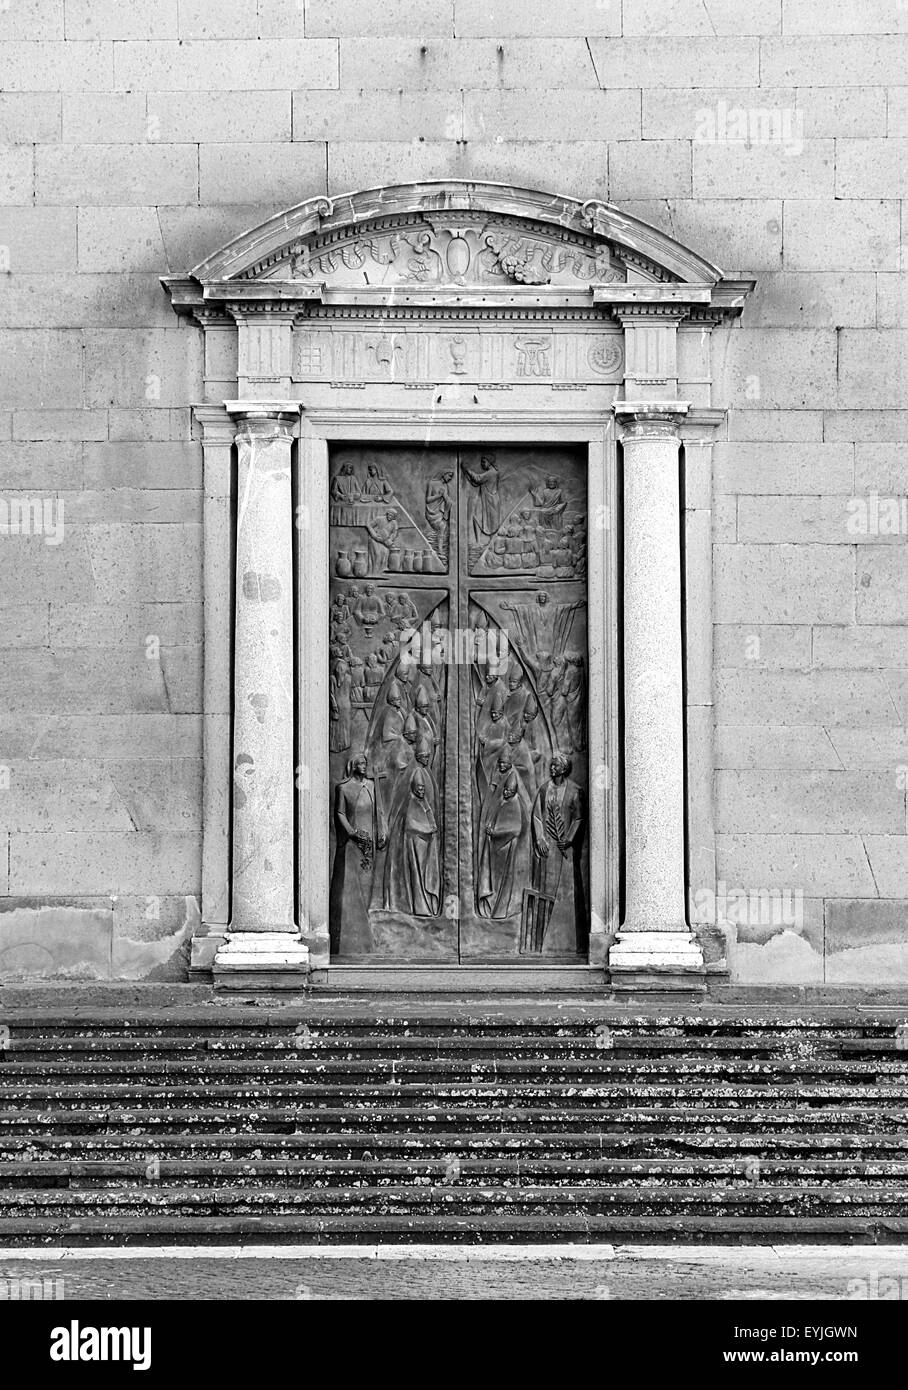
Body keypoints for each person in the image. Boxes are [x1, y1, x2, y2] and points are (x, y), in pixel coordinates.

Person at [329, 754, 387, 953]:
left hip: (369, 843)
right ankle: (352, 939)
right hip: (352, 844)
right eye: (360, 763)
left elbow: (379, 811)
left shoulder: (371, 786)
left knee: (368, 886)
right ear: (352, 766)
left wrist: (382, 831)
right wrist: (352, 833)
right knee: (352, 887)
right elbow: (340, 813)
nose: (364, 766)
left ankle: (366, 930)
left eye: (365, 763)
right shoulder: (344, 788)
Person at [531, 754, 587, 952]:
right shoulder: (544, 789)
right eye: (551, 765)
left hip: (565, 849)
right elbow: (537, 816)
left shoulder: (574, 791)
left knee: (568, 890)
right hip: (548, 848)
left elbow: (578, 818)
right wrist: (539, 838)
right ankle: (542, 941)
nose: (551, 768)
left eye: (555, 766)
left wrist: (569, 839)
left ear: (563, 769)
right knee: (545, 889)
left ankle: (569, 942)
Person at [477, 770, 525, 920]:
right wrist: (490, 827)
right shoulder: (501, 800)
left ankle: (500, 911)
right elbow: (492, 817)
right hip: (494, 848)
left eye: (510, 791)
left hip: (506, 848)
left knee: (502, 881)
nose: (506, 792)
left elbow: (515, 829)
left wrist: (496, 833)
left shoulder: (515, 803)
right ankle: (489, 906)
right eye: (505, 789)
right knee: (493, 878)